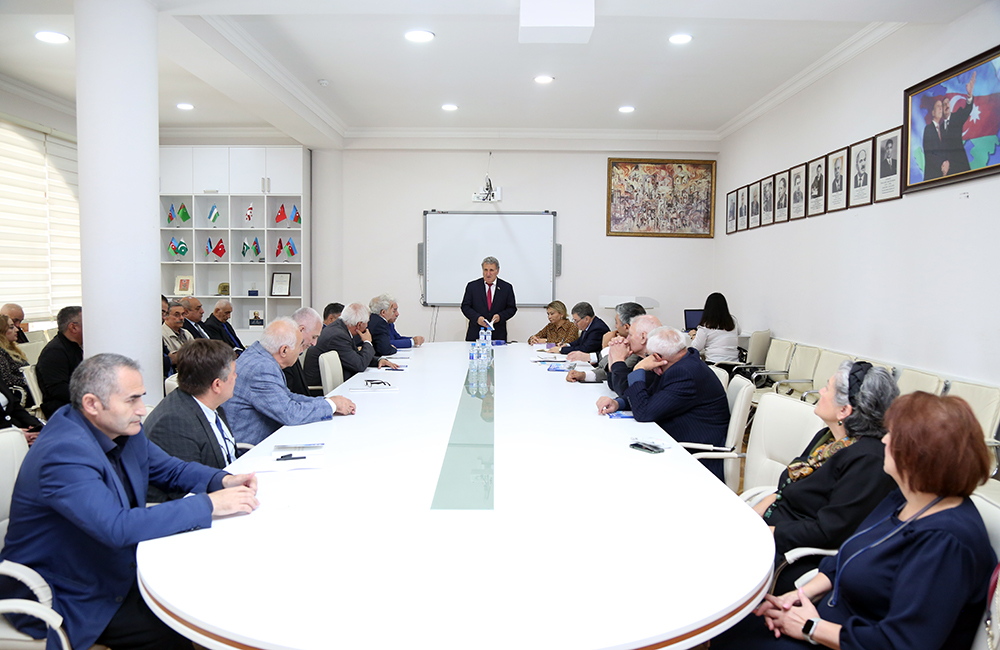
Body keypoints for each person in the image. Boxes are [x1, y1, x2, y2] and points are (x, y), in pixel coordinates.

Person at [0, 353, 259, 650]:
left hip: (109, 563)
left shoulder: (122, 428)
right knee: (173, 625)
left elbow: (171, 469)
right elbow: (116, 527)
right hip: (69, 592)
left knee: (211, 588)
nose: (141, 409)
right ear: (92, 404)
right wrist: (211, 504)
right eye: (132, 400)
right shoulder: (63, 453)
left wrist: (222, 480)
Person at [711, 392, 995, 649]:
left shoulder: (947, 541)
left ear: (918, 455)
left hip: (848, 639)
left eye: (892, 436)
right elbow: (848, 554)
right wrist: (797, 596)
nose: (883, 439)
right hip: (832, 624)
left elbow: (903, 643)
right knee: (733, 624)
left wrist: (812, 627)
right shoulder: (904, 498)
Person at [752, 361, 899, 593]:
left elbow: (829, 531)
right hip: (770, 528)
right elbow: (789, 487)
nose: (820, 391)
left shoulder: (868, 460)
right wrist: (761, 506)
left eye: (827, 388)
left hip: (793, 554)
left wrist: (766, 533)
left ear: (844, 411)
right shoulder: (828, 439)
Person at [596, 326, 729, 480]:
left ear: (657, 357)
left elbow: (644, 412)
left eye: (648, 355)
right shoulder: (682, 361)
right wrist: (618, 403)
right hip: (676, 440)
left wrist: (638, 369)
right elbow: (652, 395)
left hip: (693, 457)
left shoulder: (684, 373)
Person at [227, 317, 356, 445]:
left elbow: (287, 397)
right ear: (284, 350)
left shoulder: (258, 354)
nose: (301, 350)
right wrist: (331, 406)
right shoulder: (262, 368)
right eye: (300, 346)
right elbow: (290, 414)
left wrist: (328, 402)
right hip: (252, 449)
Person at [144, 340, 239, 501]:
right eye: (233, 374)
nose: (236, 377)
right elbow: (187, 491)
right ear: (217, 385)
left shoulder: (212, 405)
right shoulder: (173, 422)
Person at [304, 303, 398, 386]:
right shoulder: (338, 335)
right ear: (359, 325)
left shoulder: (341, 328)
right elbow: (359, 365)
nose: (368, 326)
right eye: (367, 323)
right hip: (319, 389)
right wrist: (367, 342)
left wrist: (379, 360)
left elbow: (355, 355)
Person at [570, 313, 659, 386]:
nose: (615, 326)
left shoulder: (653, 363)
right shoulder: (640, 355)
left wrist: (615, 356)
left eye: (630, 335)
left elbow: (623, 388)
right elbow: (612, 382)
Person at [35, 305, 83, 418]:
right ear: (73, 328)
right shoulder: (54, 351)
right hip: (63, 408)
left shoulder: (76, 347)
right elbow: (58, 389)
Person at [461, 256, 517, 342]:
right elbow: (465, 307)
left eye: (491, 270)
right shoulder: (472, 286)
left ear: (497, 271)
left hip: (498, 334)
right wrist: (477, 318)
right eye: (485, 270)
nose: (488, 274)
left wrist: (500, 317)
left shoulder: (506, 287)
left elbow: (511, 308)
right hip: (476, 334)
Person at [941, 71, 977, 176]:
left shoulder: (957, 117)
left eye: (948, 103)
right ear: (942, 110)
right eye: (944, 104)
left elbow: (967, 109)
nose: (946, 105)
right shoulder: (939, 128)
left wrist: (969, 95)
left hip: (961, 165)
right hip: (948, 170)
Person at [688, 292, 740, 364]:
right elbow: (739, 332)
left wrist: (693, 335)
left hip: (714, 364)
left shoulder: (704, 326)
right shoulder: (733, 321)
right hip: (734, 364)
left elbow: (696, 348)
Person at [282, 307, 323, 396]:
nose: (314, 343)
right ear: (301, 330)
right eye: (313, 337)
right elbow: (288, 402)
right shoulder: (284, 357)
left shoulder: (291, 352)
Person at [0, 313, 31, 406]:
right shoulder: (1, 353)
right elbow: (6, 379)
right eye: (11, 327)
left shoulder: (12, 349)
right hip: (18, 393)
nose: (17, 329)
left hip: (27, 387)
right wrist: (29, 381)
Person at [161, 300, 192, 369]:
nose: (181, 318)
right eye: (176, 315)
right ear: (166, 316)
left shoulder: (186, 333)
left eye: (183, 314)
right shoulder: (162, 335)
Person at [922, 98, 948, 181]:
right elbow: (929, 153)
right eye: (938, 106)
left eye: (942, 106)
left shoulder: (944, 131)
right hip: (932, 177)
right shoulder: (928, 129)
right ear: (933, 112)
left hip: (944, 177)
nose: (941, 108)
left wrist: (947, 164)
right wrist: (942, 165)